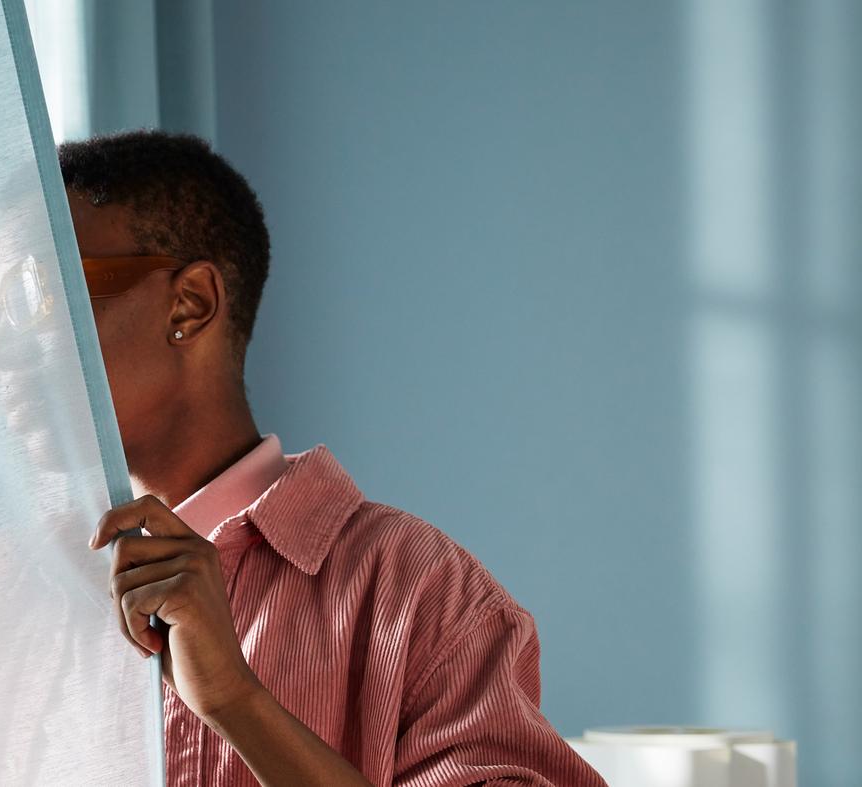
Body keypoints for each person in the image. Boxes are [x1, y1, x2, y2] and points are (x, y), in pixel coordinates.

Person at [62, 130, 607, 786]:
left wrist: (237, 701)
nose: (6, 348)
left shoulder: (423, 596)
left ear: (191, 304)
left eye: (56, 286)